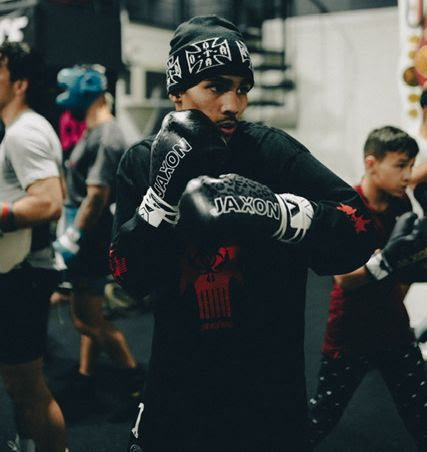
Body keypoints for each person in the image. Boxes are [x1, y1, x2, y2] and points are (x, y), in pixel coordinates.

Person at [109, 15, 391, 451]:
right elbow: (128, 275)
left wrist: (280, 214)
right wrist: (161, 200)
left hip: (268, 387)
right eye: (215, 87)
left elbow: (360, 227)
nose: (233, 105)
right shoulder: (143, 162)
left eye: (242, 88)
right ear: (177, 92)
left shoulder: (271, 152)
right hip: (179, 384)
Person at [308, 126, 427, 450]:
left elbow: (402, 273)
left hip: (394, 330)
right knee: (321, 418)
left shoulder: (402, 205)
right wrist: (387, 261)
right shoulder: (347, 207)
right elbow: (344, 279)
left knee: (421, 415)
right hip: (351, 332)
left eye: (411, 165)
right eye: (400, 165)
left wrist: (401, 283)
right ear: (371, 164)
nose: (408, 175)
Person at [53, 64, 145, 420]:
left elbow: (96, 196)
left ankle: (136, 379)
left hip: (89, 236)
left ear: (87, 90)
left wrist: (72, 236)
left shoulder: (107, 134)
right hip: (85, 231)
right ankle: (85, 375)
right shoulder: (95, 129)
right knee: (90, 312)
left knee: (85, 320)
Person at [0, 41, 67, 452]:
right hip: (18, 270)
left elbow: (49, 202)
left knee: (29, 388)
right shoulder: (19, 130)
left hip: (24, 275)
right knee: (17, 384)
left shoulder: (24, 133)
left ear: (19, 83)